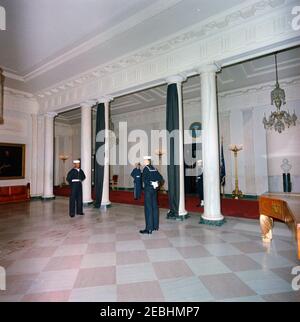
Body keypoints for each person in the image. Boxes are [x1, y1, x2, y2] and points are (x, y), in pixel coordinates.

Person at [140, 156, 163, 234]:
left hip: (148, 190)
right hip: (154, 190)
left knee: (148, 208)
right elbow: (161, 179)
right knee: (155, 207)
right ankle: (155, 226)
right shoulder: (154, 168)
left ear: (147, 161)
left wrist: (150, 183)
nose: (144, 161)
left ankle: (149, 228)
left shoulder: (146, 168)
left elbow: (144, 180)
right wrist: (156, 184)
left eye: (144, 160)